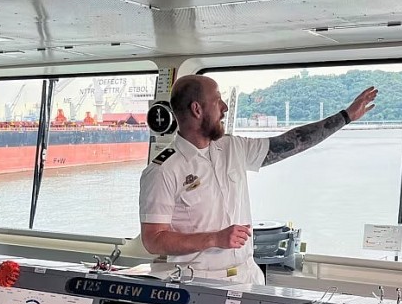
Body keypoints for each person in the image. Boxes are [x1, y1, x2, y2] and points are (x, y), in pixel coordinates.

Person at [138, 75, 378, 284]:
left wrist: (345, 117)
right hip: (199, 280)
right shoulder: (163, 170)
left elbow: (290, 142)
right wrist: (214, 238)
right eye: (217, 100)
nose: (224, 107)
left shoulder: (233, 148)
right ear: (197, 109)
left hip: (248, 276)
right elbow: (153, 240)